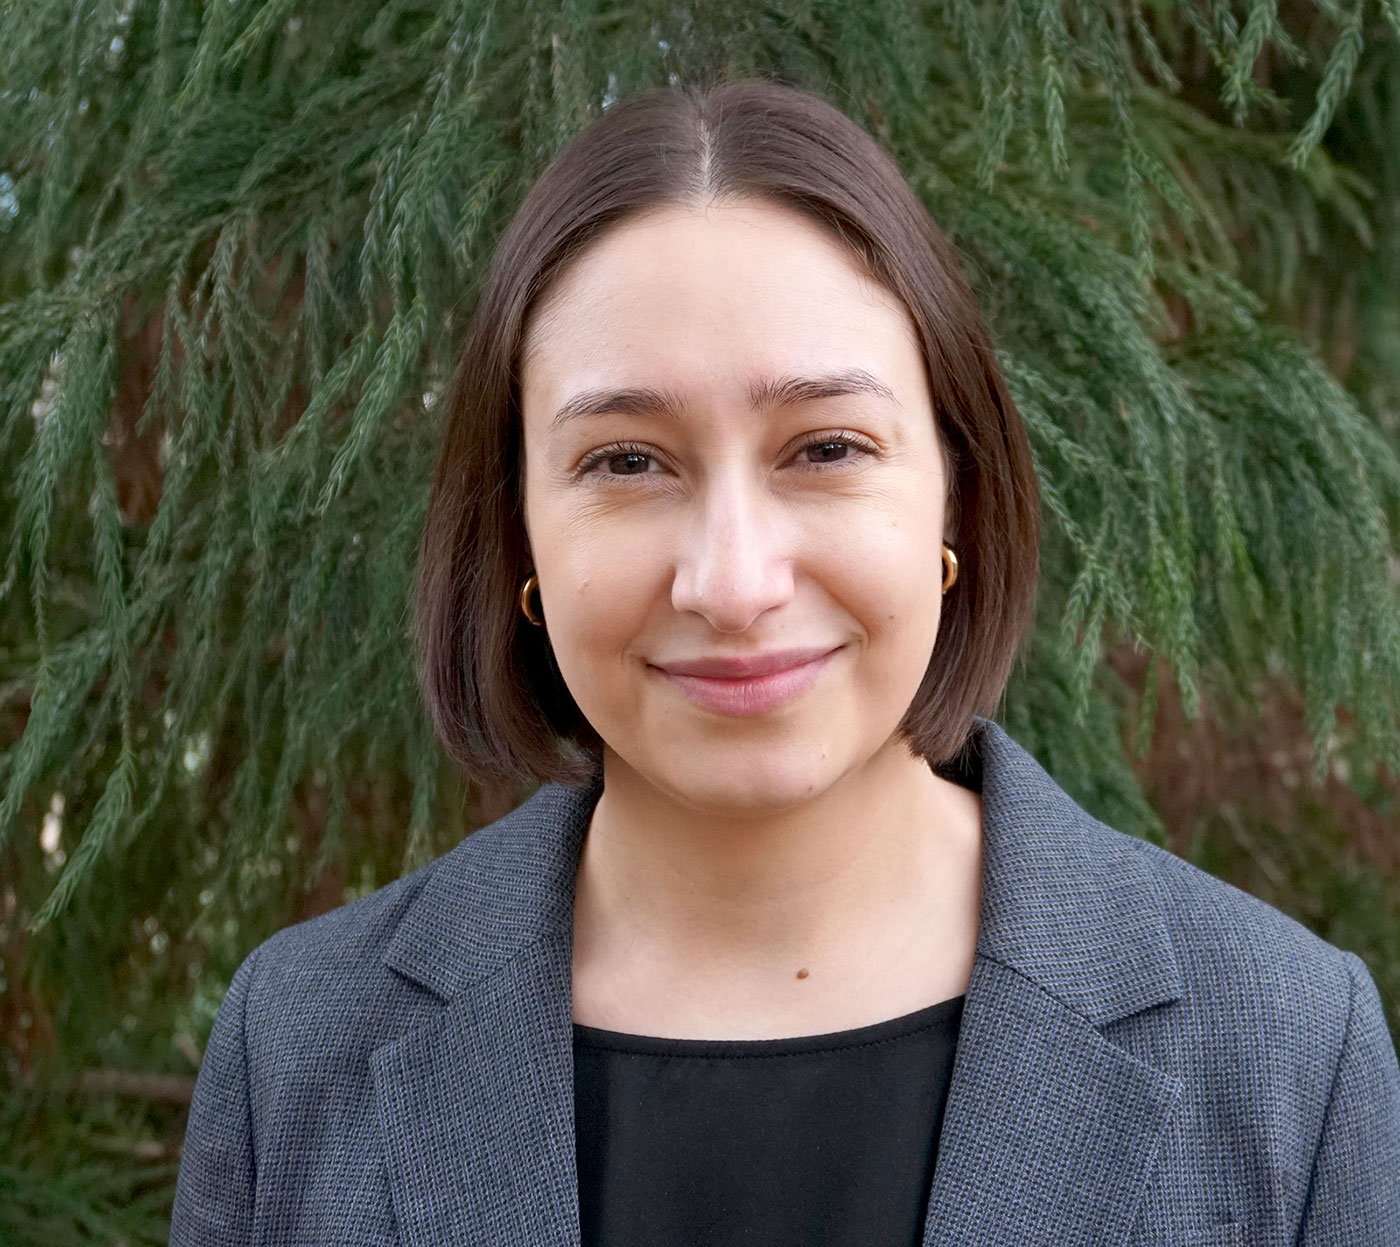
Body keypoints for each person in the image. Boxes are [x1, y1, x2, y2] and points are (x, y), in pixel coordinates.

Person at [169, 77, 1399, 1246]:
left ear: (953, 503)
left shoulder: (1289, 1048)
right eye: (626, 461)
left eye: (822, 447)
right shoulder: (299, 1044)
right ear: (517, 535)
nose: (733, 580)